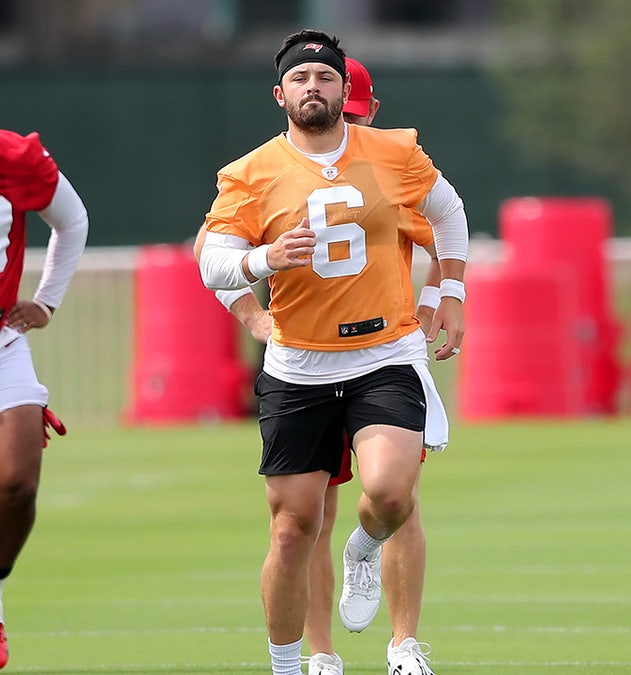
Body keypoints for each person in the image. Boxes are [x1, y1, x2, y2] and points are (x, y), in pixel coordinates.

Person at [197, 30, 467, 675]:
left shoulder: (393, 152)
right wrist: (262, 268)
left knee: (392, 492)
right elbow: (211, 260)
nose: (312, 87)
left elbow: (449, 210)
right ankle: (295, 664)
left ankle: (366, 552)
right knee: (293, 527)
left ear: (345, 90)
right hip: (299, 364)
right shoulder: (251, 171)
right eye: (300, 78)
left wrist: (450, 293)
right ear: (279, 93)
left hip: (385, 349)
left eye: (324, 77)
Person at [0, 129, 89, 670]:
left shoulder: (12, 156)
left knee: (16, 483)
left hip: (2, 339)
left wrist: (47, 300)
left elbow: (72, 220)